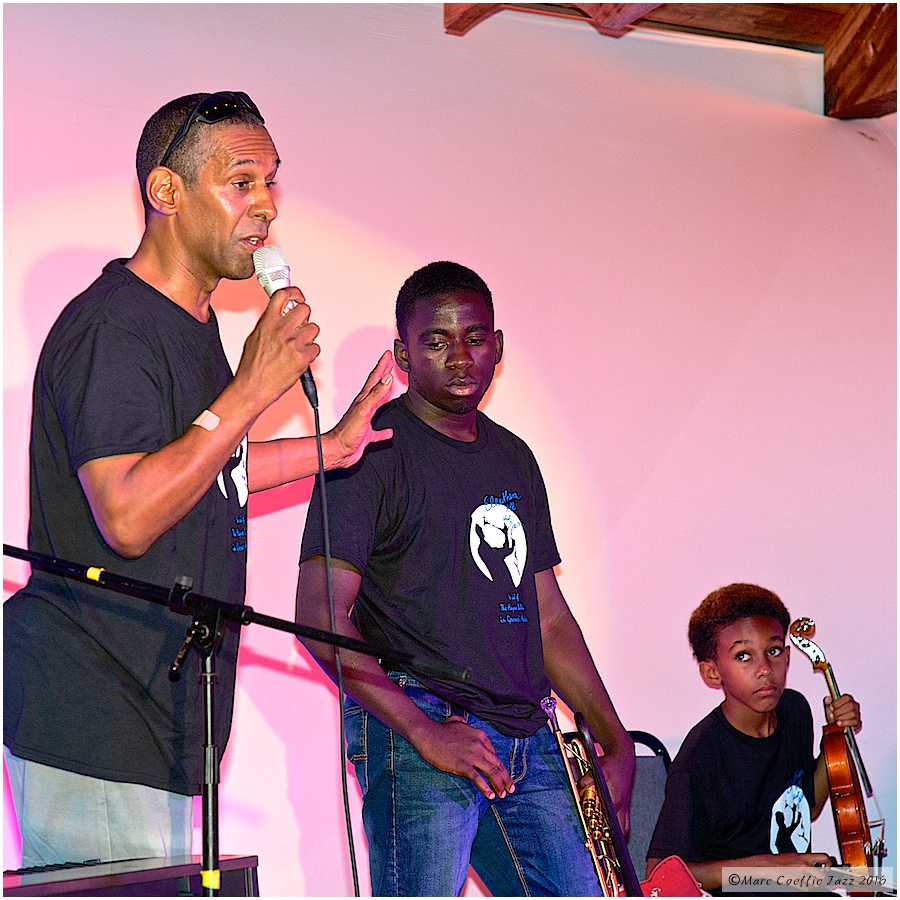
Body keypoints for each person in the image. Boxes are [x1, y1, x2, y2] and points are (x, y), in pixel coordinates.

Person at [3, 91, 394, 869]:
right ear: (167, 191)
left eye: (271, 182)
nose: (266, 206)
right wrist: (249, 390)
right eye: (241, 181)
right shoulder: (113, 326)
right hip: (97, 711)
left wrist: (331, 447)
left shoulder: (193, 324)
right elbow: (128, 512)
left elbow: (206, 470)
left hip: (162, 717)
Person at [295, 261, 635, 896]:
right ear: (403, 354)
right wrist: (423, 731)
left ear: (497, 347)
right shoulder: (365, 452)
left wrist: (614, 737)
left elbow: (547, 615)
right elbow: (318, 616)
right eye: (436, 341)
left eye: (474, 338)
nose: (459, 357)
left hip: (527, 731)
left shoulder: (513, 456)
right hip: (420, 725)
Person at [645, 583, 862, 893]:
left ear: (788, 657)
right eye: (744, 655)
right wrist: (769, 870)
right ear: (712, 673)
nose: (764, 669)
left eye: (773, 651)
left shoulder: (795, 710)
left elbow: (806, 807)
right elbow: (660, 874)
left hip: (797, 890)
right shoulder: (700, 758)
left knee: (880, 884)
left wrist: (836, 736)